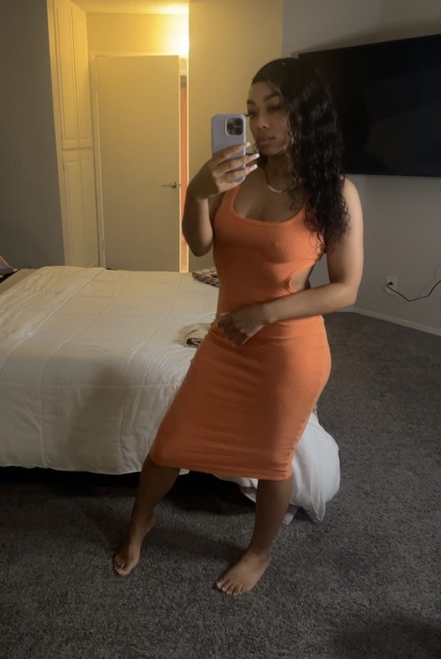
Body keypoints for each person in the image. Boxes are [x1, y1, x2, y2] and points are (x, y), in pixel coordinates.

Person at [113, 57, 364, 595]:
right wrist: (197, 190)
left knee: (273, 460)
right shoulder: (235, 176)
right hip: (227, 342)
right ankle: (141, 519)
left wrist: (265, 313)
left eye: (275, 108)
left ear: (306, 114)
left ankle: (259, 551)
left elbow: (346, 288)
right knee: (169, 444)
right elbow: (200, 244)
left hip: (289, 352)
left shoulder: (333, 192)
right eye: (252, 112)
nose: (260, 124)